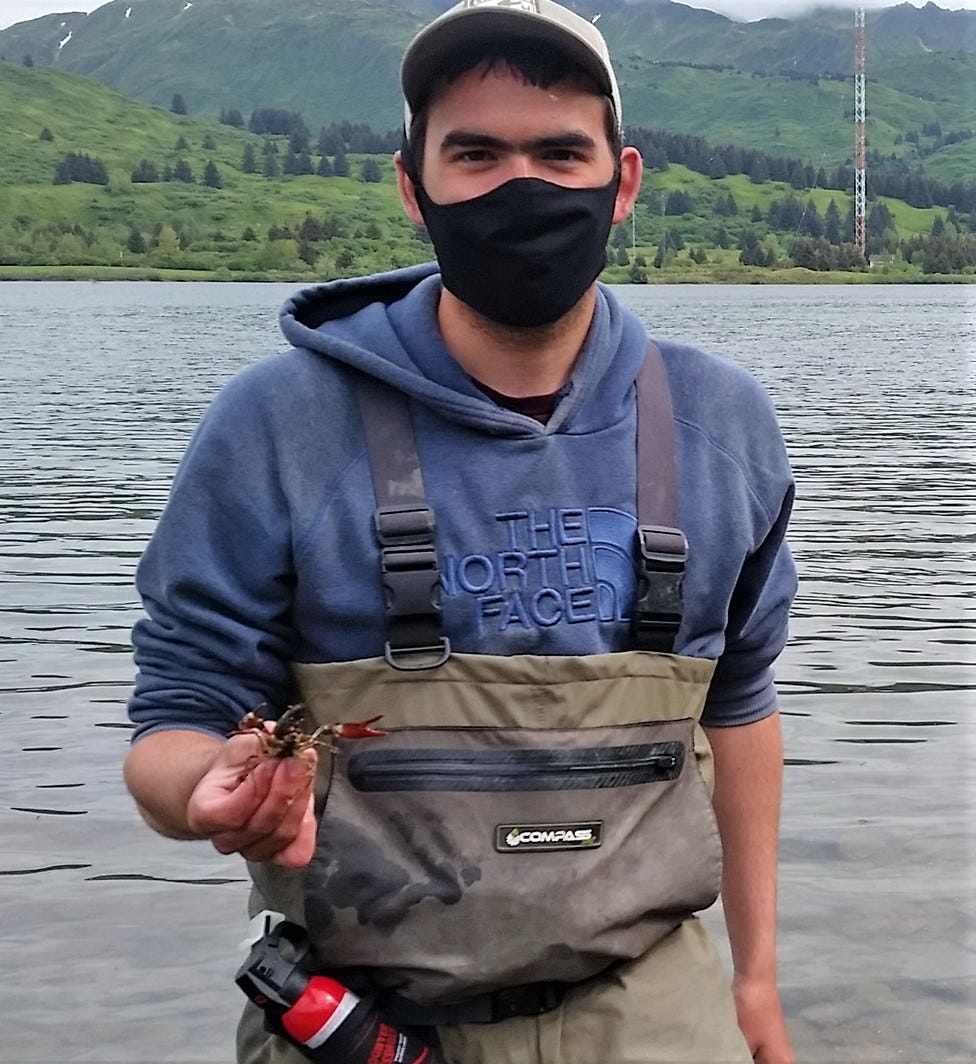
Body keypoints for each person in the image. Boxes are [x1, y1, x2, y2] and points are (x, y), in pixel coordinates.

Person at [124, 1, 798, 1062]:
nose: (521, 187)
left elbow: (744, 708)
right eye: (475, 153)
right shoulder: (274, 425)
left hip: (659, 1010)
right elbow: (176, 713)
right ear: (411, 185)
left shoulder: (724, 422)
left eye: (558, 152)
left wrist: (755, 983)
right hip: (358, 1020)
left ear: (620, 184)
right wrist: (202, 788)